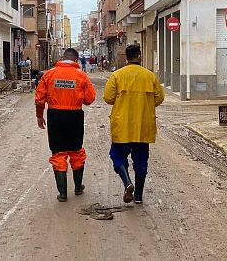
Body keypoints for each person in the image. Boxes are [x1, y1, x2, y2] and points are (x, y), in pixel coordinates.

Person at [103, 44, 164, 204]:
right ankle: (138, 196)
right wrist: (145, 104)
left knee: (117, 155)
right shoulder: (150, 76)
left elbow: (108, 98)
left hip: (122, 125)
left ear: (127, 57)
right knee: (141, 160)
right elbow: (159, 98)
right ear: (140, 56)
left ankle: (127, 183)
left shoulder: (117, 75)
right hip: (143, 126)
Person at [35, 48, 96, 202]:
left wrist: (39, 116)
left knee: (58, 153)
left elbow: (39, 99)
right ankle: (77, 187)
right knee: (76, 151)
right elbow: (89, 99)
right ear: (76, 61)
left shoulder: (49, 74)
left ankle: (62, 194)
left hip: (55, 115)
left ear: (63, 58)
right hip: (75, 116)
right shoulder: (81, 75)